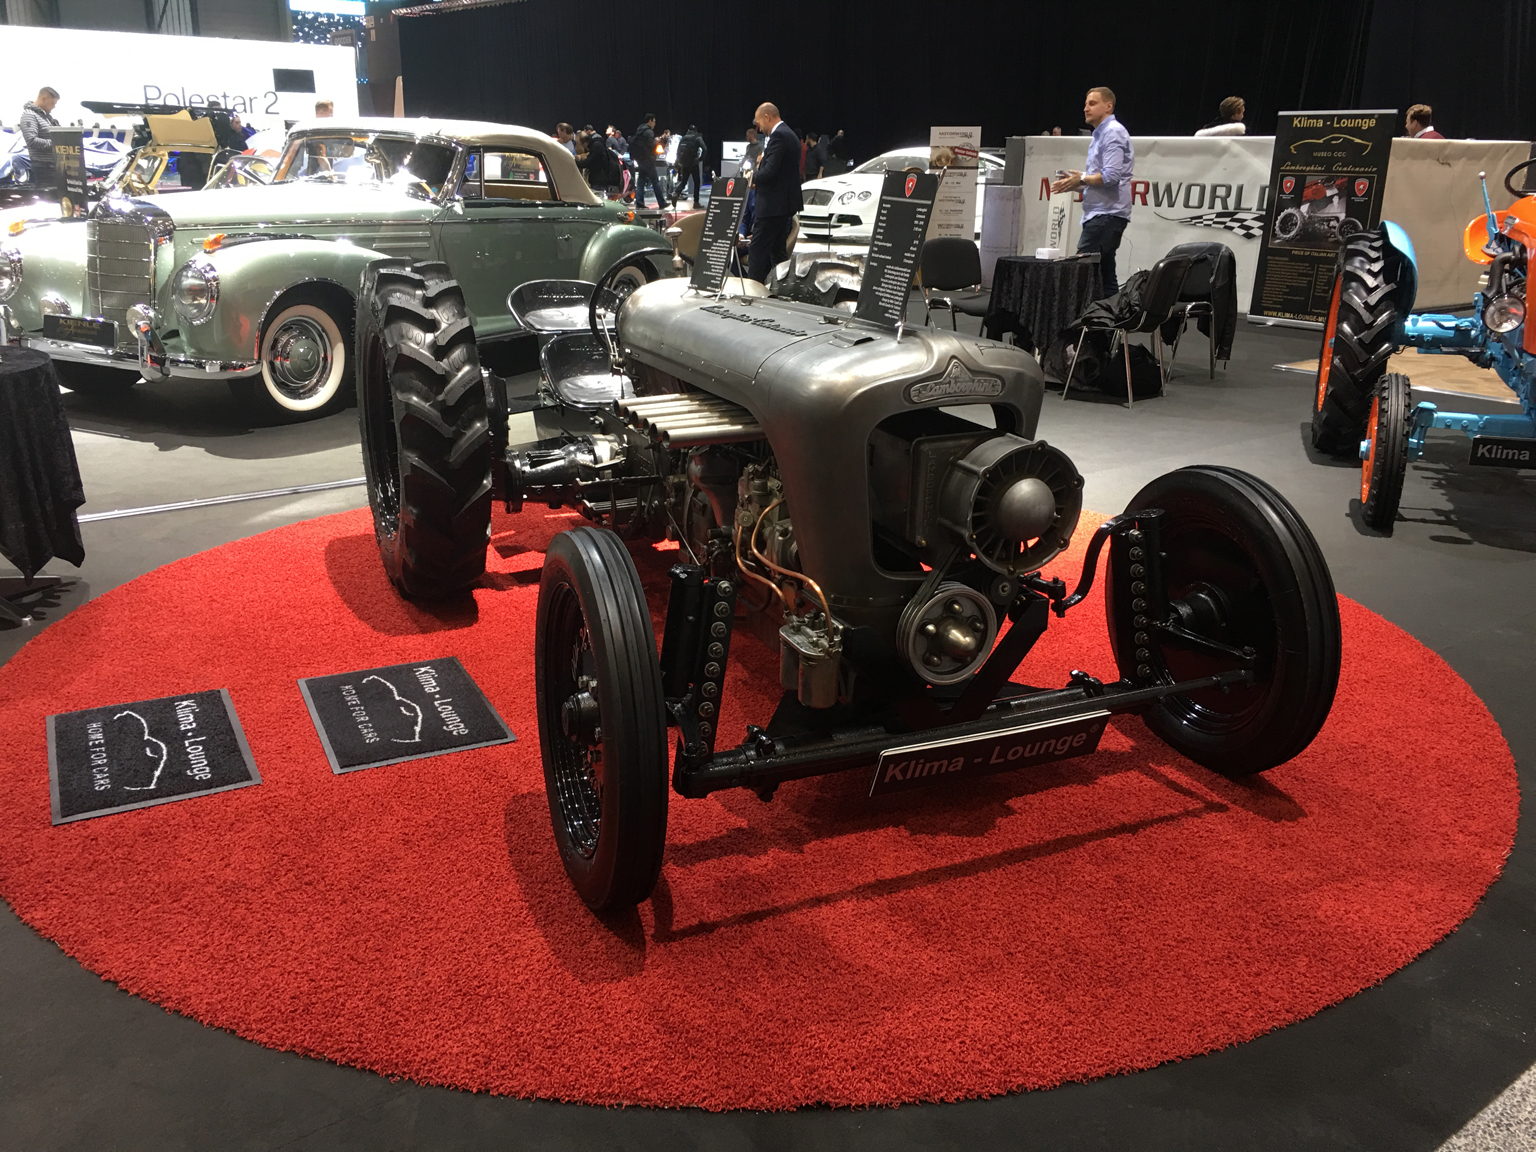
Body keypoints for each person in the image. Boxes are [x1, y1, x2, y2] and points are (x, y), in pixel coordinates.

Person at [1051, 86, 1134, 296]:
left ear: (1108, 106)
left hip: (1106, 215)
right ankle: (1110, 317)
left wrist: (1081, 178)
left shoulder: (1112, 132)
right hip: (1104, 215)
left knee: (1082, 275)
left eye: (1092, 103)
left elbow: (1111, 177)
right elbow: (1100, 179)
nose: (1086, 108)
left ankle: (1082, 316)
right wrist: (1075, 183)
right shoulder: (1101, 134)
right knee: (1104, 276)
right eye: (1086, 104)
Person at [747, 101, 801, 282]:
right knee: (777, 253)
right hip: (781, 206)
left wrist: (750, 179)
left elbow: (770, 171)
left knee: (757, 251)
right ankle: (780, 289)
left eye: (759, 123)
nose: (760, 128)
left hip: (772, 207)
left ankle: (753, 291)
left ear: (767, 117)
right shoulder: (788, 134)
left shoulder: (779, 136)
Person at [19, 87, 59, 190]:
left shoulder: (46, 117)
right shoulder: (29, 115)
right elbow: (31, 141)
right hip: (44, 167)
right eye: (52, 103)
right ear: (44, 98)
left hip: (53, 166)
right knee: (49, 196)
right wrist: (56, 142)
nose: (54, 106)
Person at [631, 112, 668, 209]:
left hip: (640, 159)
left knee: (641, 181)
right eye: (654, 121)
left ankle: (639, 202)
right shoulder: (649, 132)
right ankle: (661, 202)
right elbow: (652, 145)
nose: (655, 124)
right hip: (648, 159)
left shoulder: (639, 131)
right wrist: (658, 140)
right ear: (650, 121)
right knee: (655, 181)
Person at [578, 127, 621, 197]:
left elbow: (590, 162)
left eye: (580, 144)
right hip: (602, 178)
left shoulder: (596, 146)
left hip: (599, 179)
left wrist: (576, 163)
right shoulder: (598, 144)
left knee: (598, 196)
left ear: (585, 142)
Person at [674, 124, 706, 207]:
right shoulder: (697, 137)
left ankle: (676, 193)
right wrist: (700, 159)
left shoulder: (683, 138)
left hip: (684, 164)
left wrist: (679, 161)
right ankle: (696, 202)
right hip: (693, 163)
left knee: (684, 181)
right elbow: (705, 148)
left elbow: (678, 151)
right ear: (695, 131)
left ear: (688, 130)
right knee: (696, 182)